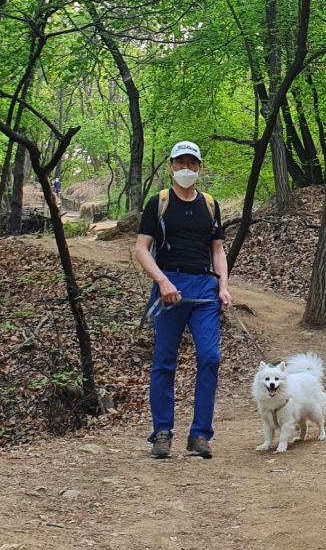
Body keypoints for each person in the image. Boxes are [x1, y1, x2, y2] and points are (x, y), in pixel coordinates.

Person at [135, 140, 232, 460]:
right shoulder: (158, 203)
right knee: (164, 361)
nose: (186, 168)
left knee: (210, 357)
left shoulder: (209, 205)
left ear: (199, 167)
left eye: (192, 163)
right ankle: (162, 432)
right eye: (180, 163)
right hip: (169, 287)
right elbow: (141, 249)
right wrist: (162, 281)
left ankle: (200, 435)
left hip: (204, 287)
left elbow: (217, 251)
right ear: (171, 166)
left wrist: (224, 286)